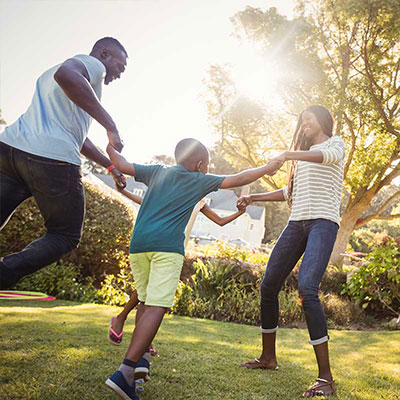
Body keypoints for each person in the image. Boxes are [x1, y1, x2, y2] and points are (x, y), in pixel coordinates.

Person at [104, 138, 283, 400]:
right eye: (207, 165)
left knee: (144, 300)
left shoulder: (156, 171)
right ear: (200, 164)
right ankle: (125, 371)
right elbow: (238, 177)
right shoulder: (199, 180)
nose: (208, 169)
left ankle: (140, 360)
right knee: (157, 306)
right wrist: (267, 168)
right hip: (167, 248)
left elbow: (119, 163)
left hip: (138, 246)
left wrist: (111, 144)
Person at [0, 37, 128, 289]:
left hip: (10, 150)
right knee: (64, 234)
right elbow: (66, 75)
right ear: (104, 54)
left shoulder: (56, 76)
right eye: (120, 66)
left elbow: (75, 136)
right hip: (50, 160)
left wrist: (109, 166)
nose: (119, 73)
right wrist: (111, 127)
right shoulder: (92, 65)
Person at [237, 105, 345, 398]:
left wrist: (287, 154)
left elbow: (325, 157)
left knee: (307, 288)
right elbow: (289, 193)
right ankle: (268, 359)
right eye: (301, 121)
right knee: (268, 284)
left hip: (323, 222)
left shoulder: (335, 144)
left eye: (308, 118)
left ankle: (326, 378)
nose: (304, 123)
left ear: (322, 120)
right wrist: (253, 197)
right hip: (296, 223)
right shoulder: (302, 159)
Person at [108, 187, 246, 350]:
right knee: (147, 294)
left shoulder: (200, 201)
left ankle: (125, 322)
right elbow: (146, 203)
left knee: (148, 292)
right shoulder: (173, 191)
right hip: (157, 242)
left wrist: (240, 212)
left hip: (175, 249)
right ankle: (140, 340)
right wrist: (124, 192)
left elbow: (220, 221)